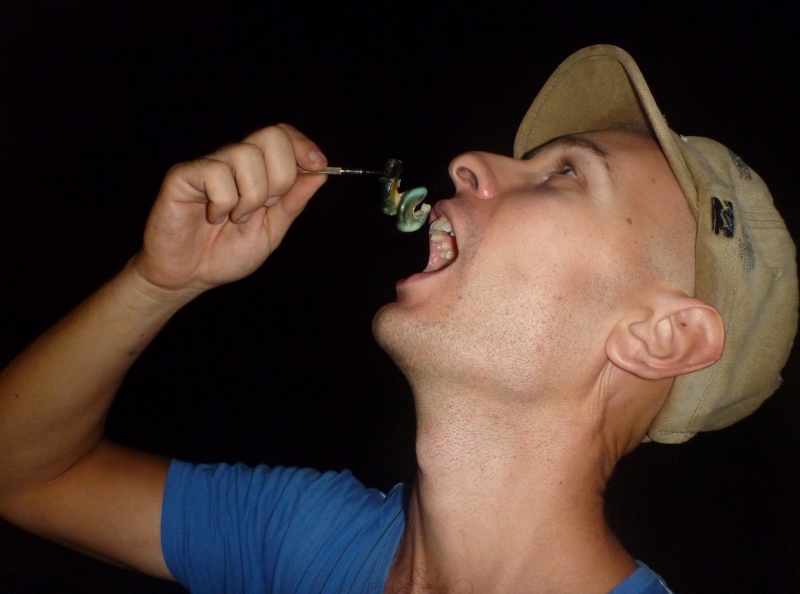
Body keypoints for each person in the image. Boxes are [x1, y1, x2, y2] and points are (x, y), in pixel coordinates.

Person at [0, 44, 795, 594]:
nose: (469, 162)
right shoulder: (305, 537)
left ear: (662, 337)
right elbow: (25, 474)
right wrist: (157, 282)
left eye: (565, 174)